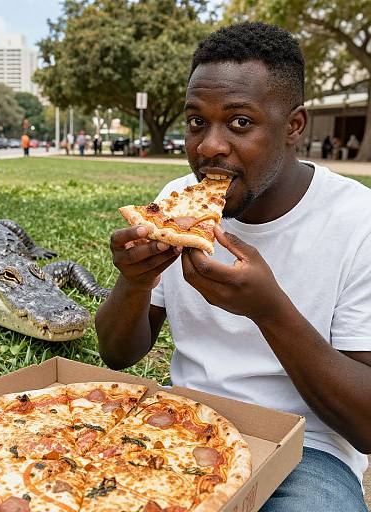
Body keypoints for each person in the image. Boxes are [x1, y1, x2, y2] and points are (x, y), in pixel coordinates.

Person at [96, 22, 370, 512]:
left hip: (307, 452)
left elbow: (367, 425)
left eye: (240, 122)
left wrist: (269, 311)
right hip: (176, 421)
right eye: (197, 121)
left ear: (294, 126)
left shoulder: (358, 222)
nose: (208, 147)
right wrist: (134, 283)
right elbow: (118, 355)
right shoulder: (175, 203)